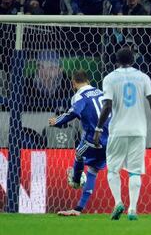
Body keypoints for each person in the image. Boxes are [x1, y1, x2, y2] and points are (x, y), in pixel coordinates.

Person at [93, 48, 151, 220]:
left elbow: (107, 106)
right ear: (133, 60)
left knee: (112, 169)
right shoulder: (143, 77)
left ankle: (118, 202)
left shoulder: (110, 78)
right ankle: (133, 209)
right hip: (138, 130)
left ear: (116, 61)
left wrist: (98, 128)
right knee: (135, 171)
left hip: (118, 130)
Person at [48, 70, 109, 216]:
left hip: (94, 139)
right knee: (93, 170)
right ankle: (78, 209)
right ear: (88, 81)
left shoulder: (78, 96)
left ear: (73, 83)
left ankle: (76, 180)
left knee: (78, 154)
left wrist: (57, 121)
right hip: (111, 139)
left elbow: (74, 112)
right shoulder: (101, 92)